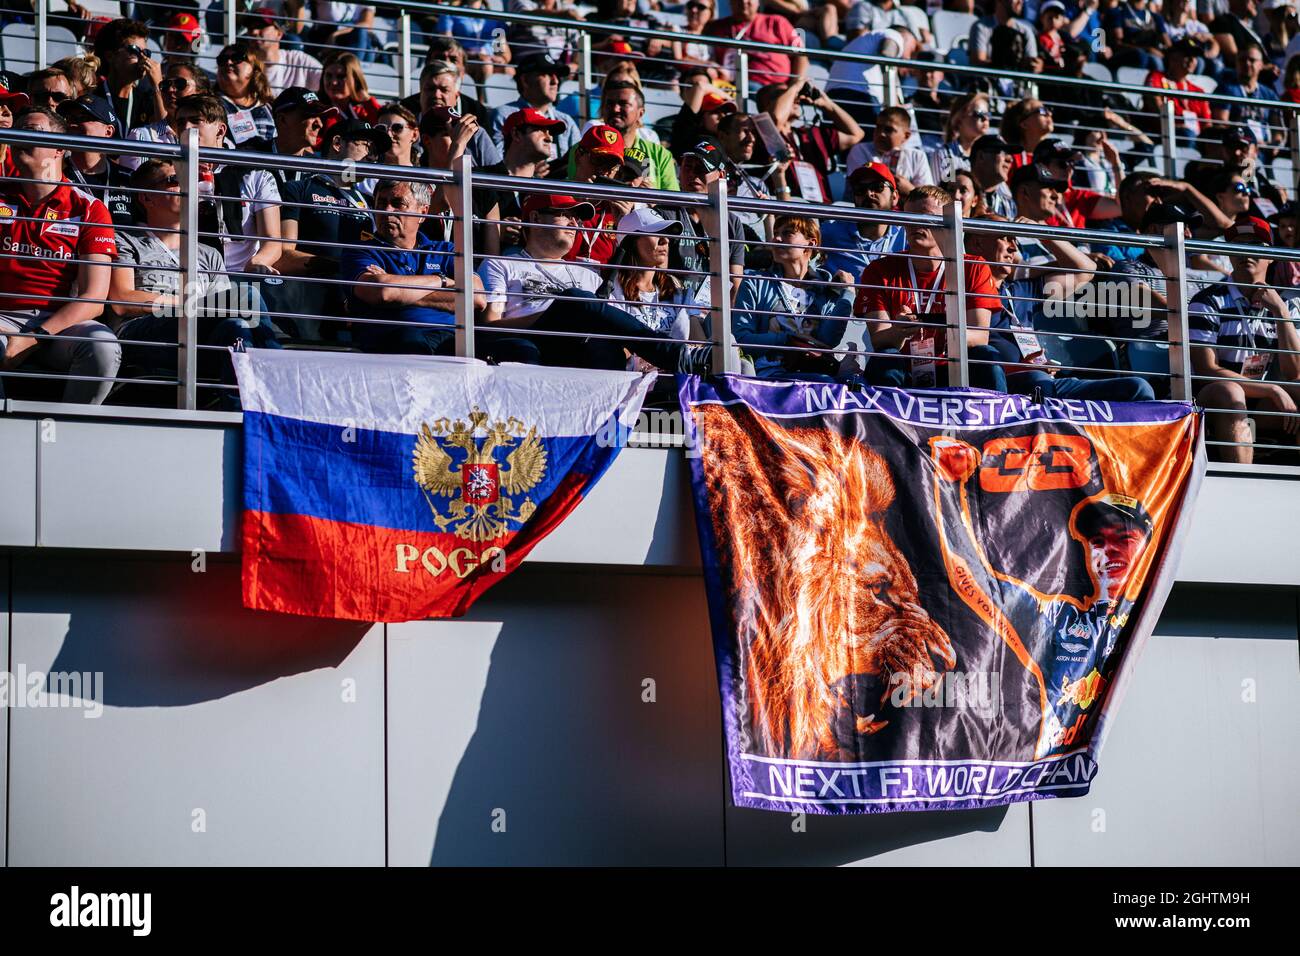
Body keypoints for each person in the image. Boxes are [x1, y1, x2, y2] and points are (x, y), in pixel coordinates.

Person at [930, 439, 1158, 757]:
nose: (1110, 550)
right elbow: (974, 577)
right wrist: (947, 488)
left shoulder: (1154, 609)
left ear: (1149, 545)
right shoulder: (1060, 618)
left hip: (1146, 750)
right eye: (1098, 541)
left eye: (1124, 538)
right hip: (1052, 764)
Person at [477, 194, 704, 371]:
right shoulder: (502, 264)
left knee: (606, 345)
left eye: (577, 217)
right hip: (531, 337)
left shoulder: (589, 275)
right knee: (576, 299)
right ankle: (671, 353)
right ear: (535, 218)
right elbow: (489, 326)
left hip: (577, 347)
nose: (575, 223)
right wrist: (555, 310)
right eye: (566, 214)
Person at [108, 159, 277, 394]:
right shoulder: (125, 240)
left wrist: (196, 309)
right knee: (246, 296)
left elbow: (220, 311)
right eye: (175, 180)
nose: (188, 187)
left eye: (190, 181)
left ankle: (239, 414)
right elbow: (122, 300)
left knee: (237, 328)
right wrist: (189, 306)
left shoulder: (209, 253)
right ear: (146, 197)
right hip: (142, 334)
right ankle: (280, 377)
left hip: (196, 335)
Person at [0, 107, 120, 405]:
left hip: (60, 323)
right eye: (17, 130)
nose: (20, 137)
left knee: (103, 345)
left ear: (60, 148)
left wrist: (35, 336)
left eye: (33, 131)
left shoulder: (89, 208)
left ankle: (68, 436)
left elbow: (94, 298)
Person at [970, 213, 1156, 400]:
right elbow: (981, 359)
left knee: (1138, 387)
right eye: (1004, 237)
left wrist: (1044, 234)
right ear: (978, 243)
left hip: (1045, 380)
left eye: (1015, 239)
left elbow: (1085, 270)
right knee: (1038, 380)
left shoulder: (1021, 289)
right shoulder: (962, 291)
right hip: (1010, 384)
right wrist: (1022, 368)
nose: (1013, 247)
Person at [855, 185, 1006, 391]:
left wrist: (941, 330)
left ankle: (994, 421)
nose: (915, 224)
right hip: (905, 366)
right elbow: (879, 339)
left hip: (954, 365)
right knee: (885, 359)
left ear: (946, 223)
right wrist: (899, 332)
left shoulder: (973, 267)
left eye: (926, 218)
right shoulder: (879, 270)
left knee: (987, 356)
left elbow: (980, 336)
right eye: (909, 218)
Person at [1190, 215, 1300, 463]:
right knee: (1231, 393)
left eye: (1256, 246)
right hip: (1212, 396)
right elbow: (1206, 370)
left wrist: (1280, 312)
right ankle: (1241, 485)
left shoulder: (1284, 305)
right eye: (1238, 245)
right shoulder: (1208, 300)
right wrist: (1272, 389)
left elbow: (1294, 372)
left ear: (1271, 256)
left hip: (1259, 399)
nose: (1245, 253)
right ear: (1229, 254)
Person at [339, 179, 481, 354]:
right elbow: (383, 292)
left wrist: (400, 292)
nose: (387, 210)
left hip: (450, 338)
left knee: (513, 348)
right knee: (410, 340)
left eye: (398, 204)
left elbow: (477, 297)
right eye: (381, 203)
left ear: (423, 212)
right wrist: (442, 280)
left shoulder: (446, 250)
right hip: (391, 341)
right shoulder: (360, 250)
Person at [732, 215, 857, 381]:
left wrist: (848, 294)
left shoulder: (825, 289)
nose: (776, 238)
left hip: (813, 371)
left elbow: (828, 340)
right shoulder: (756, 282)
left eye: (787, 233)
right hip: (769, 375)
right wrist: (787, 340)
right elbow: (741, 338)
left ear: (810, 244)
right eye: (776, 233)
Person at [176, 94, 283, 277]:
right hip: (185, 275)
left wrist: (258, 262)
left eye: (196, 121)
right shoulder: (168, 174)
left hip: (239, 277)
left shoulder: (256, 174)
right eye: (180, 123)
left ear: (220, 131)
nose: (186, 128)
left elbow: (272, 242)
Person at [601, 208, 697, 368]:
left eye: (667, 234)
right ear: (631, 241)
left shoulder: (676, 288)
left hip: (679, 377)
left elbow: (698, 341)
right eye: (657, 232)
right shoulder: (610, 289)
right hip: (634, 382)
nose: (665, 240)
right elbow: (613, 348)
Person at [658, 142, 748, 307]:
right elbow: (659, 275)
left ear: (721, 175)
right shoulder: (665, 213)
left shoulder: (732, 223)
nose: (692, 174)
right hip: (673, 306)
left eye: (701, 168)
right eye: (687, 166)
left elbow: (735, 284)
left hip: (717, 312)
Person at [754, 80, 863, 204]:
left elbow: (856, 134)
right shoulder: (762, 134)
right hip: (789, 211)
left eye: (795, 94)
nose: (795, 98)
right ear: (767, 104)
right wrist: (795, 85)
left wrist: (827, 104)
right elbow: (775, 119)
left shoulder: (811, 133)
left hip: (822, 210)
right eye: (784, 94)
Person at [56, 94, 134, 228]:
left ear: (108, 132)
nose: (72, 124)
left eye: (83, 118)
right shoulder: (56, 175)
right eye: (69, 118)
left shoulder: (129, 179)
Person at [820, 162, 907, 278]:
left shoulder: (907, 235)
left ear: (895, 197)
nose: (869, 193)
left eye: (878, 187)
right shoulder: (831, 231)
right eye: (860, 189)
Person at [119, 62, 211, 171]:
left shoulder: (214, 135)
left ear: (202, 93)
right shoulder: (142, 137)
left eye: (179, 84)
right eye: (166, 85)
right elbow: (132, 184)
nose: (170, 90)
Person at [590, 81, 679, 191]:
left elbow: (673, 205)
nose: (615, 109)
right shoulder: (583, 149)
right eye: (610, 103)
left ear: (640, 113)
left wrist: (649, 199)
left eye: (624, 104)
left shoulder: (661, 155)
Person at [489, 53, 581, 160]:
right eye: (547, 74)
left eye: (557, 76)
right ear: (525, 81)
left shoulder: (567, 122)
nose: (555, 81)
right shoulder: (503, 116)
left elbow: (577, 165)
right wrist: (529, 168)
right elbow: (496, 164)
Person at [704, 0, 808, 89]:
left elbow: (801, 56)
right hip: (730, 86)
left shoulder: (777, 22)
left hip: (775, 87)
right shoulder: (715, 28)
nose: (744, 1)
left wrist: (795, 86)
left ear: (758, 2)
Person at [93, 18, 164, 131]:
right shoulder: (94, 97)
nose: (144, 59)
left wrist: (157, 86)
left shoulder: (147, 99)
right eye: (134, 51)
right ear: (110, 56)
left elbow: (163, 134)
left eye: (146, 53)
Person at [844, 106, 933, 195]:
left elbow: (928, 196)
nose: (881, 133)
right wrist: (910, 192)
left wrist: (909, 190)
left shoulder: (917, 156)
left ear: (906, 136)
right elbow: (860, 189)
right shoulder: (860, 150)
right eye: (878, 127)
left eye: (889, 130)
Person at [244, 8, 323, 97]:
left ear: (279, 33)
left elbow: (328, 82)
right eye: (250, 28)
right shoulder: (243, 64)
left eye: (260, 26)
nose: (254, 32)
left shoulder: (298, 60)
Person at [215, 41, 277, 148]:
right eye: (222, 60)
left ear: (254, 67)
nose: (228, 62)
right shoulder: (209, 105)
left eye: (237, 58)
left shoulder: (272, 107)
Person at [434, 0, 511, 84]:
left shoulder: (494, 15)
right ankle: (481, 97)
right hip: (464, 60)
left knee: (508, 70)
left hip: (489, 60)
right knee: (485, 65)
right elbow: (447, 45)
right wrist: (473, 54)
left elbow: (502, 51)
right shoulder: (451, 11)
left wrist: (500, 58)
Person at [400, 60, 490, 129]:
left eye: (444, 90)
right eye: (430, 89)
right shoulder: (402, 128)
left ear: (456, 96)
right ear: (420, 93)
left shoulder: (473, 132)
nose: (436, 95)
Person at [928, 91, 993, 185]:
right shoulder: (946, 156)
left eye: (987, 114)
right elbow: (947, 195)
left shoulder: (990, 156)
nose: (985, 119)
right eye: (979, 114)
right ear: (959, 119)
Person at [317, 51, 381, 143]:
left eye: (341, 77)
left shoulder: (364, 111)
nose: (334, 82)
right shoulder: (317, 111)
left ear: (356, 80)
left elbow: (384, 127)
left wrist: (368, 101)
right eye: (329, 75)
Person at [969, 0, 1040, 66]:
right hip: (988, 79)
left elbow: (1032, 64)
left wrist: (1037, 66)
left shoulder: (1026, 31)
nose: (1020, 2)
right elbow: (978, 63)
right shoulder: (981, 27)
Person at [1106, 0, 1169, 70]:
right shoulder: (1119, 13)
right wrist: (1147, 49)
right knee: (1145, 57)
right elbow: (1117, 44)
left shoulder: (1156, 17)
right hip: (1127, 56)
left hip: (1154, 55)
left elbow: (1168, 44)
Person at [969, 134, 1016, 218]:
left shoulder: (1009, 204)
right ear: (981, 156)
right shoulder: (959, 193)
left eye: (1010, 155)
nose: (1010, 159)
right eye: (1003, 152)